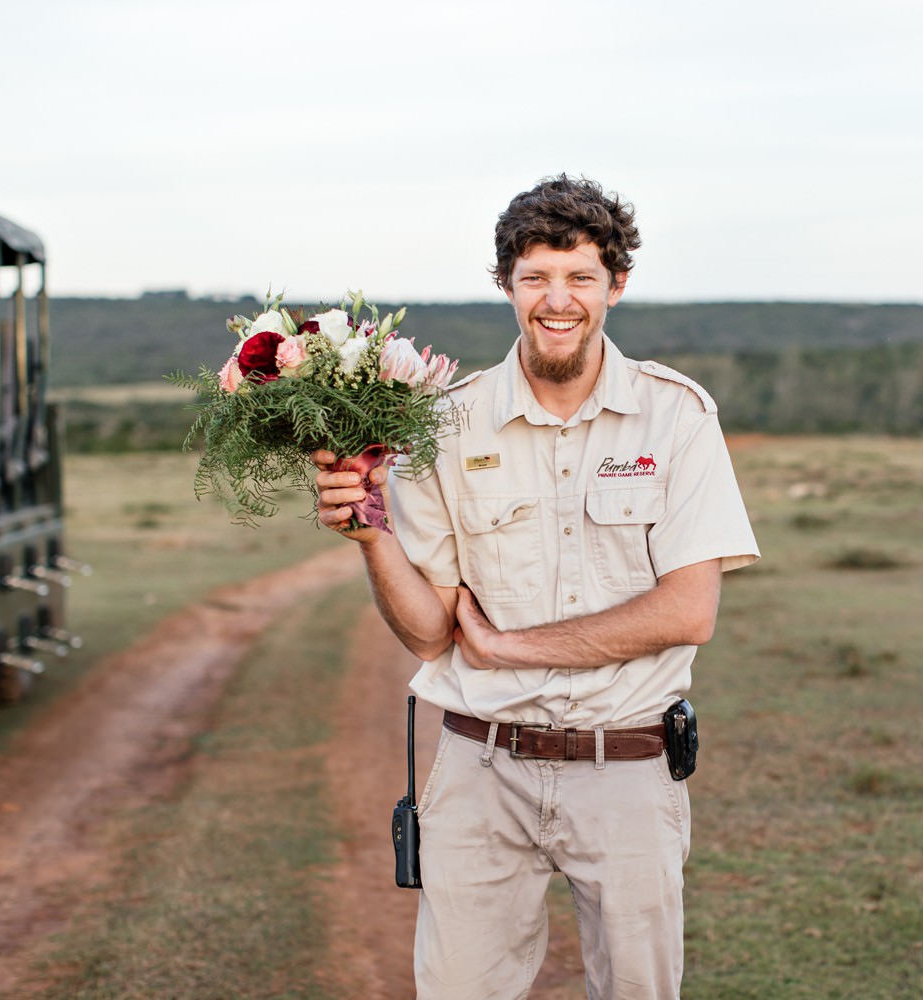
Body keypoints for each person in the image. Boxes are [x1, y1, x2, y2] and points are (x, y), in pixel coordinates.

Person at [313, 174, 759, 999]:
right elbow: (426, 632)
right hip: (482, 769)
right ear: (506, 286)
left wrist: (509, 646)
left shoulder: (678, 418)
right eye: (536, 278)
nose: (558, 300)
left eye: (581, 277)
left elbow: (689, 613)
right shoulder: (443, 423)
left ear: (616, 285)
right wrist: (368, 534)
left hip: (628, 765)